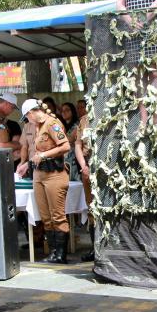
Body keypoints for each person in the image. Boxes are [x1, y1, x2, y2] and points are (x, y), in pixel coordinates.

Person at [16, 99, 71, 264]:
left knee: (57, 216)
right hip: (39, 174)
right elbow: (37, 152)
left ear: (32, 112)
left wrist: (44, 156)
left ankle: (61, 255)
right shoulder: (37, 126)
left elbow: (65, 146)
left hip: (54, 174)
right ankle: (53, 252)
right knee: (46, 216)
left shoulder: (52, 123)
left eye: (27, 117)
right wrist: (27, 163)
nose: (28, 121)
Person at [72, 111, 94, 262]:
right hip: (88, 166)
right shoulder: (84, 120)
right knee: (91, 208)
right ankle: (95, 249)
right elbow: (78, 145)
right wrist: (83, 166)